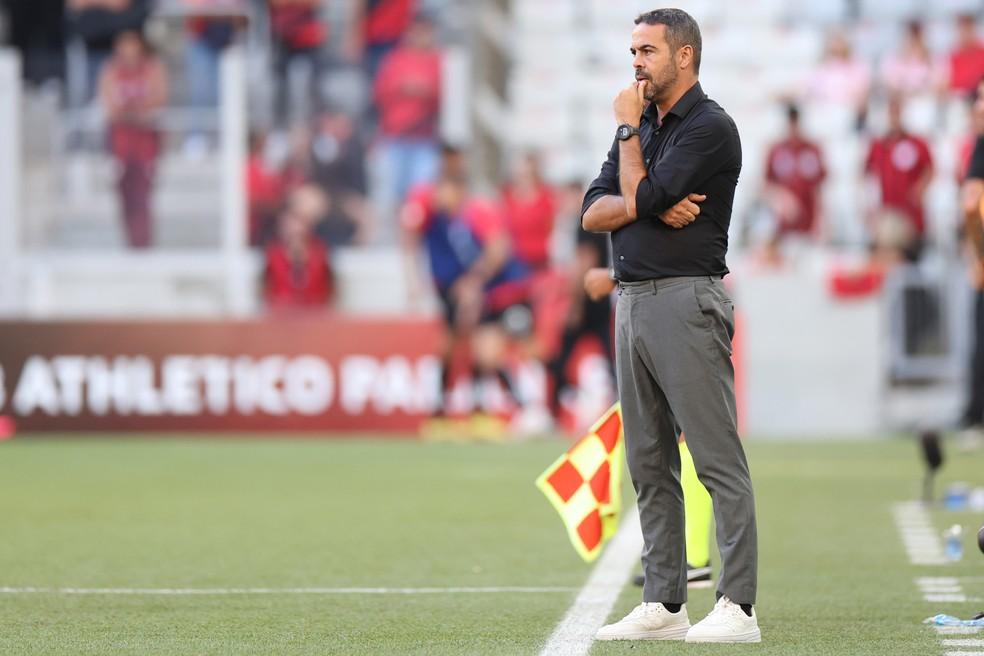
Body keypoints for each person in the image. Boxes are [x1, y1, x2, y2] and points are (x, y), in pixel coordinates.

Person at [582, 9, 759, 643]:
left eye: (648, 51)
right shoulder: (647, 128)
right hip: (632, 300)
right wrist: (644, 197)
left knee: (714, 458)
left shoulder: (709, 127)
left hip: (685, 301)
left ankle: (738, 606)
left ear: (684, 56)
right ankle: (665, 602)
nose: (636, 62)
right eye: (632, 50)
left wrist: (631, 143)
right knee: (648, 460)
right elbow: (594, 209)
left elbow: (639, 196)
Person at [400, 147, 530, 417]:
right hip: (468, 290)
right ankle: (452, 409)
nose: (438, 197)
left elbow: (499, 249)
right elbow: (410, 234)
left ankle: (517, 408)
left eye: (443, 190)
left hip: (499, 290)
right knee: (456, 345)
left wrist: (473, 283)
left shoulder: (476, 212)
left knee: (485, 352)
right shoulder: (443, 216)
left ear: (458, 191)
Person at [374, 13, 442, 237]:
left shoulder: (437, 60)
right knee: (392, 193)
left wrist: (417, 89)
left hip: (424, 138)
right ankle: (392, 238)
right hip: (396, 137)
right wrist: (408, 88)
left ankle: (416, 237)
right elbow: (381, 92)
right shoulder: (395, 59)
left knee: (420, 196)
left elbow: (441, 94)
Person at [98, 30, 168, 249]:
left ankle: (143, 241)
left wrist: (134, 112)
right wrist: (132, 113)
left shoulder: (152, 68)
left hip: (146, 143)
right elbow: (109, 105)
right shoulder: (111, 70)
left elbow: (160, 98)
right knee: (124, 193)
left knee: (143, 194)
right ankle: (129, 241)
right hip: (121, 143)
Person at [864, 95, 934, 262]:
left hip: (910, 216)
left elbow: (929, 169)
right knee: (884, 242)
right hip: (887, 212)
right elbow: (867, 175)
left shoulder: (916, 143)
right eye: (891, 112)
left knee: (899, 248)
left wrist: (919, 190)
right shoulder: (879, 145)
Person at [763, 103, 827, 240]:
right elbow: (766, 185)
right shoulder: (776, 150)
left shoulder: (812, 149)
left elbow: (820, 186)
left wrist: (821, 220)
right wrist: (781, 198)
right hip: (783, 226)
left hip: (808, 223)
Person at [264, 207, 334, 309]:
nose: (294, 229)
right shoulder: (274, 255)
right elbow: (267, 287)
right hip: (282, 312)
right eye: (288, 225)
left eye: (298, 224)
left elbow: (329, 287)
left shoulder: (319, 253)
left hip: (315, 311)